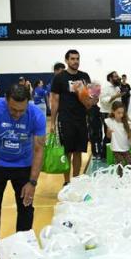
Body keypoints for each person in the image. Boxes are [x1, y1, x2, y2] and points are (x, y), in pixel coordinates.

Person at [0, 84, 46, 259]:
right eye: (13, 110)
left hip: (23, 164)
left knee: (26, 205)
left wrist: (32, 182)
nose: (16, 114)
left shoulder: (36, 115)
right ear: (6, 100)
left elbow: (39, 150)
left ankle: (21, 248)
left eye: (21, 111)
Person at [50, 50, 92, 183]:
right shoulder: (59, 77)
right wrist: (52, 122)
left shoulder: (85, 76)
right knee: (67, 152)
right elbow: (55, 100)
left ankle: (76, 181)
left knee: (78, 151)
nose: (75, 61)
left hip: (81, 119)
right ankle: (67, 182)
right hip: (65, 119)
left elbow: (90, 99)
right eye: (73, 59)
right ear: (67, 60)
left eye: (77, 59)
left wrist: (92, 97)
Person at [104, 100, 131, 167]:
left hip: (125, 148)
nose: (121, 115)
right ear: (113, 111)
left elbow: (129, 136)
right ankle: (120, 177)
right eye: (118, 113)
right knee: (120, 165)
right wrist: (109, 132)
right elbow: (108, 137)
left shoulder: (127, 123)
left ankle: (130, 177)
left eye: (122, 113)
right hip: (116, 149)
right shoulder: (110, 121)